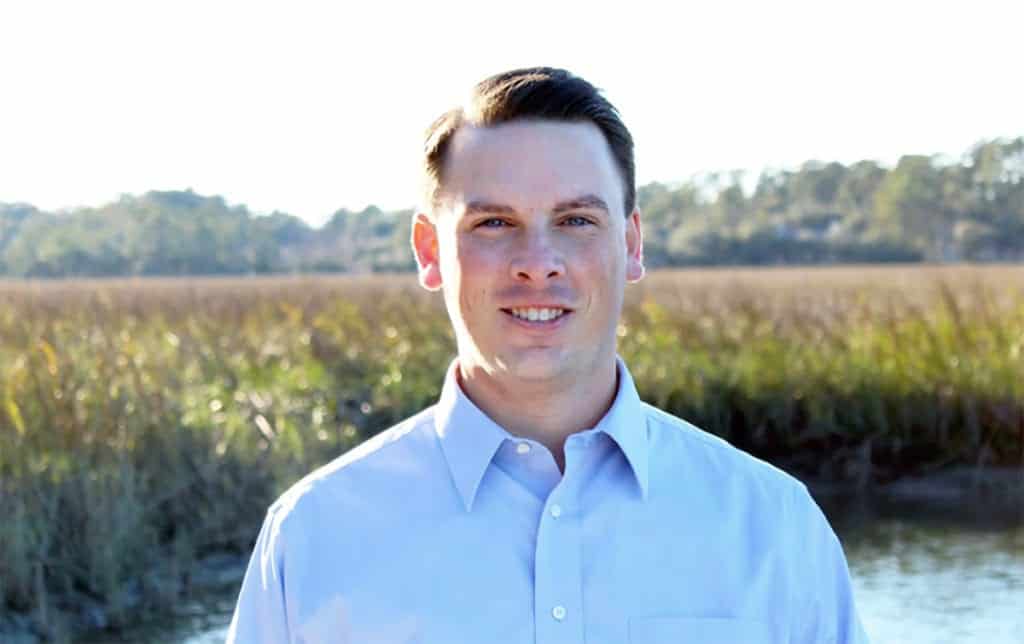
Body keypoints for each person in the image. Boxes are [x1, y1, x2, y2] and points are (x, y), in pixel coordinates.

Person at [227, 67, 870, 643]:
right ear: (428, 251)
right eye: (494, 224)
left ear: (632, 241)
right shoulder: (314, 539)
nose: (538, 264)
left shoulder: (773, 528)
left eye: (576, 221)